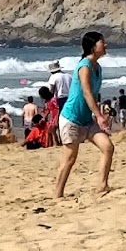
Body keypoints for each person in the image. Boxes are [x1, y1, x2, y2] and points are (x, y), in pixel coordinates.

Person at [52, 31, 115, 199]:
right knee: (70, 158)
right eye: (102, 42)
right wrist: (100, 116)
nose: (106, 45)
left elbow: (94, 95)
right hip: (72, 118)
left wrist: (101, 111)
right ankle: (57, 194)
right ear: (93, 47)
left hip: (87, 119)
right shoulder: (84, 66)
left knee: (107, 147)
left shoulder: (97, 67)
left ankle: (102, 185)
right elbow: (86, 93)